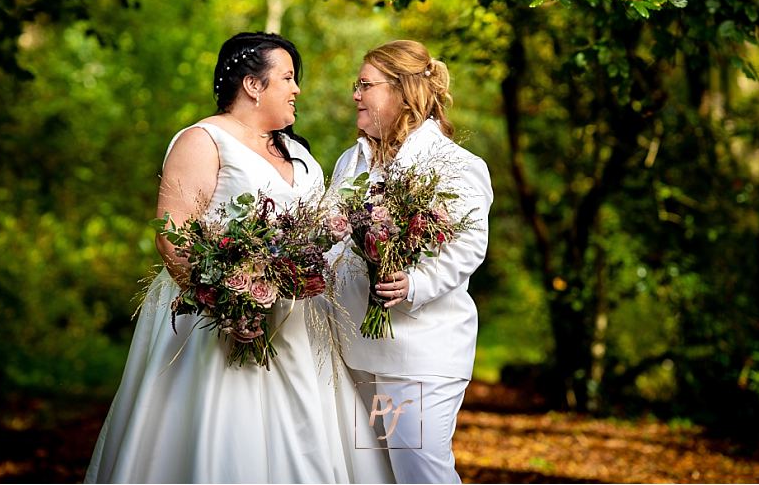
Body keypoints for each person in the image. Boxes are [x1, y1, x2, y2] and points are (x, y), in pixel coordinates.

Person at [86, 31, 393, 483]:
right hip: (215, 322)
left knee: (309, 437)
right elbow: (174, 237)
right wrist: (226, 304)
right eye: (287, 77)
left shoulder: (301, 154)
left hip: (299, 324)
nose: (296, 89)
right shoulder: (203, 140)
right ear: (253, 85)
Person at [331, 40, 494, 483]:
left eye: (365, 85)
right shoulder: (353, 160)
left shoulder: (452, 163)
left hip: (418, 351)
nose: (356, 95)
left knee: (419, 469)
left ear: (402, 91)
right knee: (381, 472)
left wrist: (414, 284)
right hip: (362, 353)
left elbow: (469, 244)